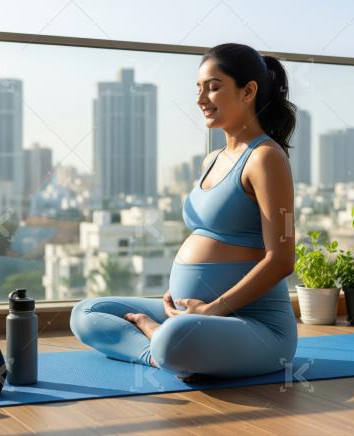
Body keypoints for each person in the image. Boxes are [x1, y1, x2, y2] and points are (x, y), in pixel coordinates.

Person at [70, 43, 298, 381]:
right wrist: (187, 305)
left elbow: (282, 259)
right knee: (86, 312)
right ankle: (161, 349)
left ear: (248, 91)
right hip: (189, 313)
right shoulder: (212, 160)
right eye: (198, 88)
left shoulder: (266, 157)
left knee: (178, 339)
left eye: (214, 86)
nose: (201, 98)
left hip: (254, 324)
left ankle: (162, 340)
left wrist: (211, 309)